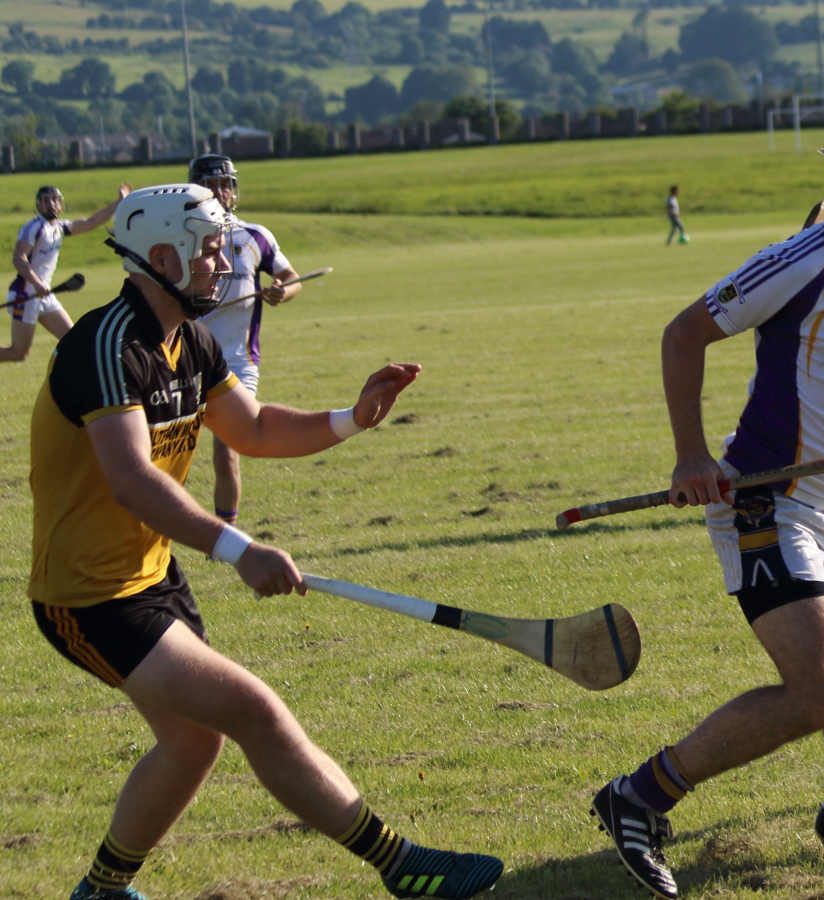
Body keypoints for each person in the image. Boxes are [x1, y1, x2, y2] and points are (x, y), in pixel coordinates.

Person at [30, 184, 503, 900]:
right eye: (211, 250)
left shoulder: (190, 340)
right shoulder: (107, 345)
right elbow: (130, 480)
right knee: (254, 711)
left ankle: (100, 891)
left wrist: (352, 418)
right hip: (89, 595)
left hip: (148, 578)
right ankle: (403, 866)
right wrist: (237, 549)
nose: (223, 264)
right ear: (162, 257)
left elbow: (251, 428)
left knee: (195, 741)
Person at [589, 115, 824, 900]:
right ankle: (637, 798)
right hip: (766, 503)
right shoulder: (806, 260)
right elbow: (683, 334)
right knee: (821, 694)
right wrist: (691, 455)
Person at [189, 154, 303, 527]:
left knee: (227, 453)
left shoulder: (255, 236)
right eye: (211, 184)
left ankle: (226, 536)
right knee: (170, 454)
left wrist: (280, 293)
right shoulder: (183, 237)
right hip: (187, 359)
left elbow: (292, 278)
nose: (221, 191)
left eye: (225, 183)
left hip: (237, 362)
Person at [2, 182, 131, 363]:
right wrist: (37, 283)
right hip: (26, 293)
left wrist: (119, 202)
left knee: (73, 341)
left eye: (55, 200)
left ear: (61, 204)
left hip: (44, 294)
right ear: (38, 205)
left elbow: (91, 222)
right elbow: (18, 258)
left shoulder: (60, 227)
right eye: (46, 200)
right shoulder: (33, 228)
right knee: (18, 354)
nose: (51, 204)